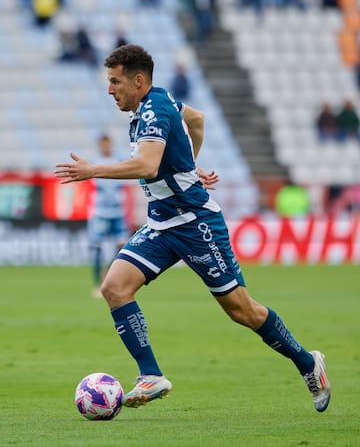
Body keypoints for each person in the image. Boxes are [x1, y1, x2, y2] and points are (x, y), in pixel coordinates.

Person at [54, 44, 331, 412]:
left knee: (241, 311)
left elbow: (148, 165)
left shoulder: (154, 110)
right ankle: (150, 375)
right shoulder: (155, 101)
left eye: (115, 82)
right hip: (162, 223)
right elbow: (196, 120)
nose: (110, 90)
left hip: (195, 224)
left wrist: (94, 170)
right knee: (115, 287)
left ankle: (308, 364)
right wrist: (186, 166)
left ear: (138, 81)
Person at [87, 134, 130, 298]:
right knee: (97, 246)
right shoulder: (94, 162)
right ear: (100, 145)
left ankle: (109, 276)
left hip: (117, 211)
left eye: (108, 144)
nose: (106, 147)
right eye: (103, 145)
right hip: (100, 212)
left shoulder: (118, 160)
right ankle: (97, 284)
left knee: (121, 245)